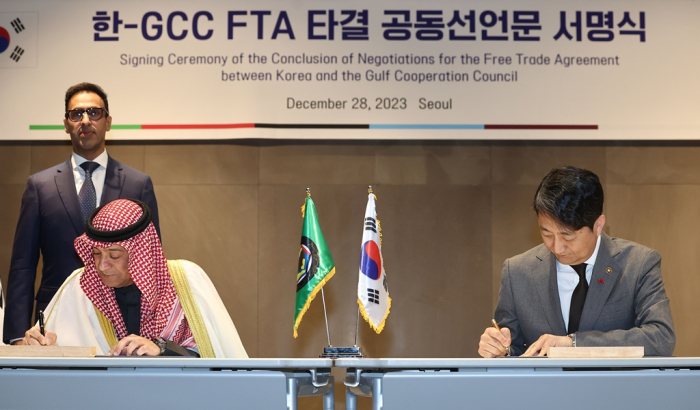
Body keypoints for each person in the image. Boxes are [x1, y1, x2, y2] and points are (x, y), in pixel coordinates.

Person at [3, 83, 159, 345]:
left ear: (108, 121)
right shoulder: (40, 186)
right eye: (76, 114)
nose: (85, 120)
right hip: (55, 320)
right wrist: (17, 336)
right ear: (66, 123)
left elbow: (151, 260)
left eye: (94, 113)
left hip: (122, 318)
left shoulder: (137, 184)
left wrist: (153, 333)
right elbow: (23, 265)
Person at [479, 166, 675, 357]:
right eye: (546, 233)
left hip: (614, 389)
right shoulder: (518, 272)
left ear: (598, 225)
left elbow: (661, 337)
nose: (556, 247)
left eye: (568, 236)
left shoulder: (638, 264)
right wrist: (499, 350)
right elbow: (515, 349)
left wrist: (574, 344)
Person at [21, 199, 247, 358]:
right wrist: (37, 344)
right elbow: (52, 350)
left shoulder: (186, 280)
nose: (101, 266)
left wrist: (161, 348)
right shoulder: (79, 286)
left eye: (115, 255)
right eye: (96, 254)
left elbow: (214, 354)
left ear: (141, 253)